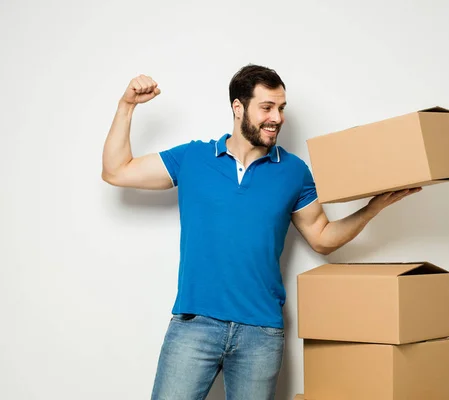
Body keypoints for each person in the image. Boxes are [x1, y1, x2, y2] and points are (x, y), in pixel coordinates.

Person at [101, 64, 421, 400]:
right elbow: (116, 170)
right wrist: (127, 106)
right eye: (267, 108)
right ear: (238, 108)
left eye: (281, 108)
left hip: (261, 334)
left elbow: (322, 237)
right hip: (195, 327)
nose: (277, 118)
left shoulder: (294, 172)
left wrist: (373, 208)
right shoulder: (193, 158)